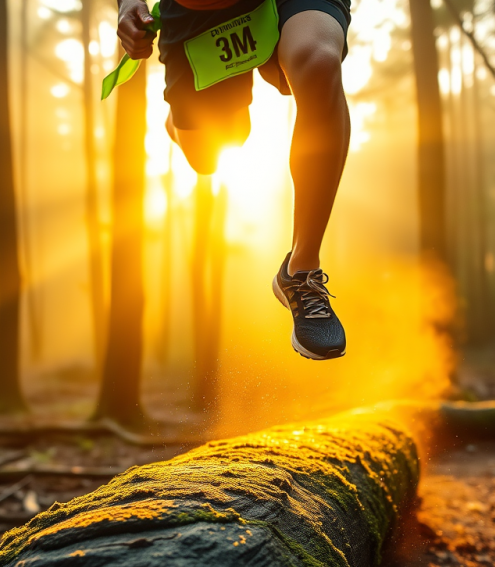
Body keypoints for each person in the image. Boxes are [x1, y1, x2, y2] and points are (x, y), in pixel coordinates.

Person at [117, 0, 349, 359]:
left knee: (316, 60)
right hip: (201, 7)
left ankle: (301, 270)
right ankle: (180, 123)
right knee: (212, 152)